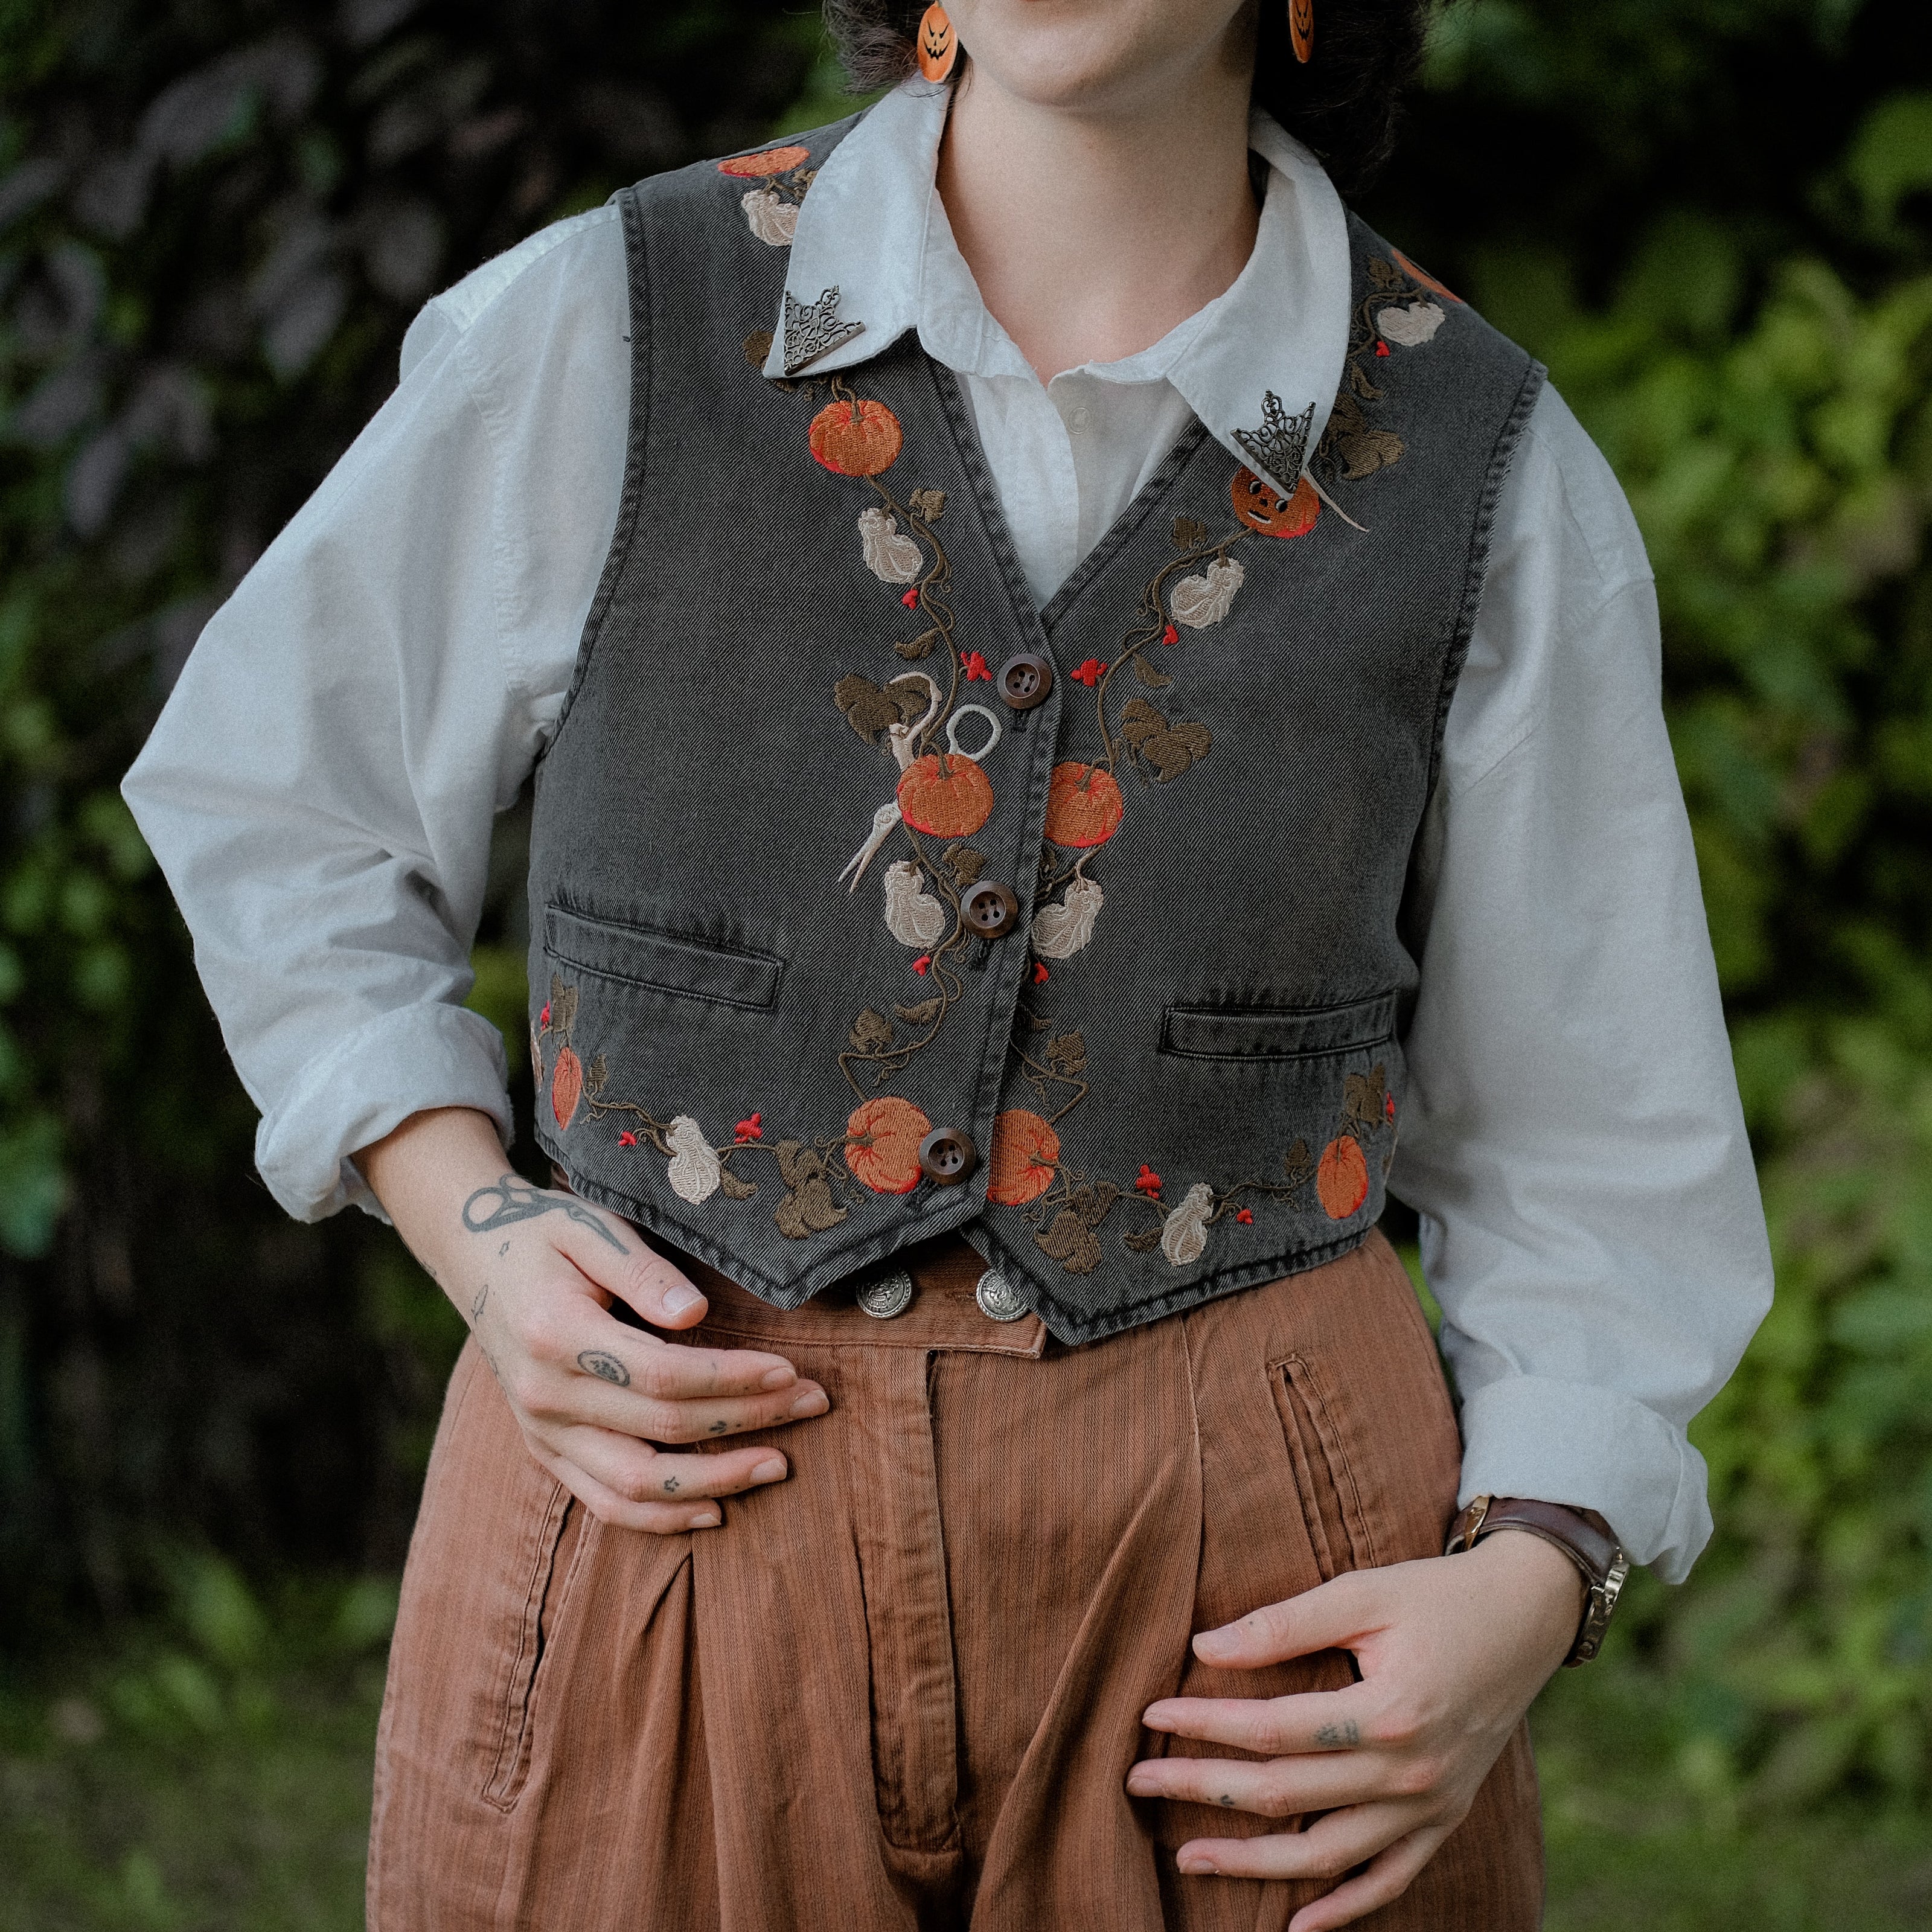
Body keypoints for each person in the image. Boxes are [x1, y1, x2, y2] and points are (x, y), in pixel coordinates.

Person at [123, 1, 1773, 1925]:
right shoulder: (608, 325)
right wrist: (463, 1217)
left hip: (1250, 1611)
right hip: (668, 1510)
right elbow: (278, 794)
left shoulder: (1483, 468)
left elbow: (1602, 1146)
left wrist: (1531, 1579)